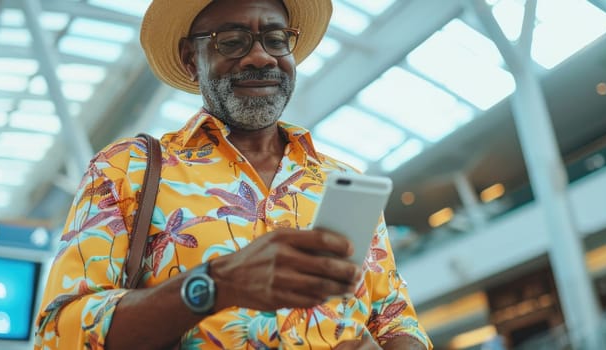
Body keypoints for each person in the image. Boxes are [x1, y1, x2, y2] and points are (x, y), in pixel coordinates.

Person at [34, 0, 433, 349]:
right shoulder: (128, 168)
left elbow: (394, 318)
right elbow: (59, 332)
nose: (261, 57)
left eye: (276, 40)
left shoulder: (339, 179)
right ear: (192, 59)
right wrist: (218, 284)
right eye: (232, 41)